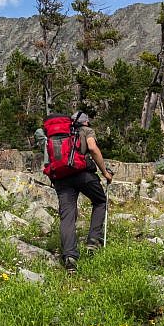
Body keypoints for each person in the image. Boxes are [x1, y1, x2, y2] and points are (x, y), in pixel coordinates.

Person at [51, 112, 113, 273]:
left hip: (62, 178)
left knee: (68, 216)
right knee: (100, 201)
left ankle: (70, 256)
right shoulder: (86, 131)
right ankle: (93, 241)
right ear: (86, 122)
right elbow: (92, 148)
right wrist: (105, 172)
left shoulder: (59, 135)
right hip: (83, 175)